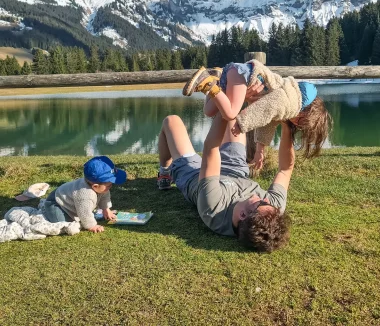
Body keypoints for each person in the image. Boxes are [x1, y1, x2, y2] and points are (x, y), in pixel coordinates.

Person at [157, 84, 294, 252]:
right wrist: (288, 125)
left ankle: (164, 172)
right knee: (233, 106)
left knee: (171, 121)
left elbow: (211, 149)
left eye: (260, 203)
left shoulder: (214, 208)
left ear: (242, 215)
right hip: (235, 169)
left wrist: (226, 108)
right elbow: (285, 169)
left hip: (195, 176)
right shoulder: (271, 209)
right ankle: (222, 83)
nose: (265, 198)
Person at [183, 59, 331, 170]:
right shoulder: (289, 103)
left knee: (209, 111)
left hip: (239, 74)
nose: (296, 125)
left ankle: (215, 78)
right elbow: (267, 108)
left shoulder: (287, 103)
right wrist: (242, 123)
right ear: (303, 113)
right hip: (244, 76)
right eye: (300, 123)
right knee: (231, 113)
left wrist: (260, 149)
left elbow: (267, 123)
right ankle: (207, 82)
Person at [43, 156, 126, 233]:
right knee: (63, 224)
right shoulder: (85, 195)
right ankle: (47, 212)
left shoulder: (100, 188)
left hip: (69, 201)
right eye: (109, 185)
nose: (111, 186)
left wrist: (106, 209)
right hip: (56, 203)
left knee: (77, 218)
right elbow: (84, 212)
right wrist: (92, 226)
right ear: (95, 186)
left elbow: (105, 196)